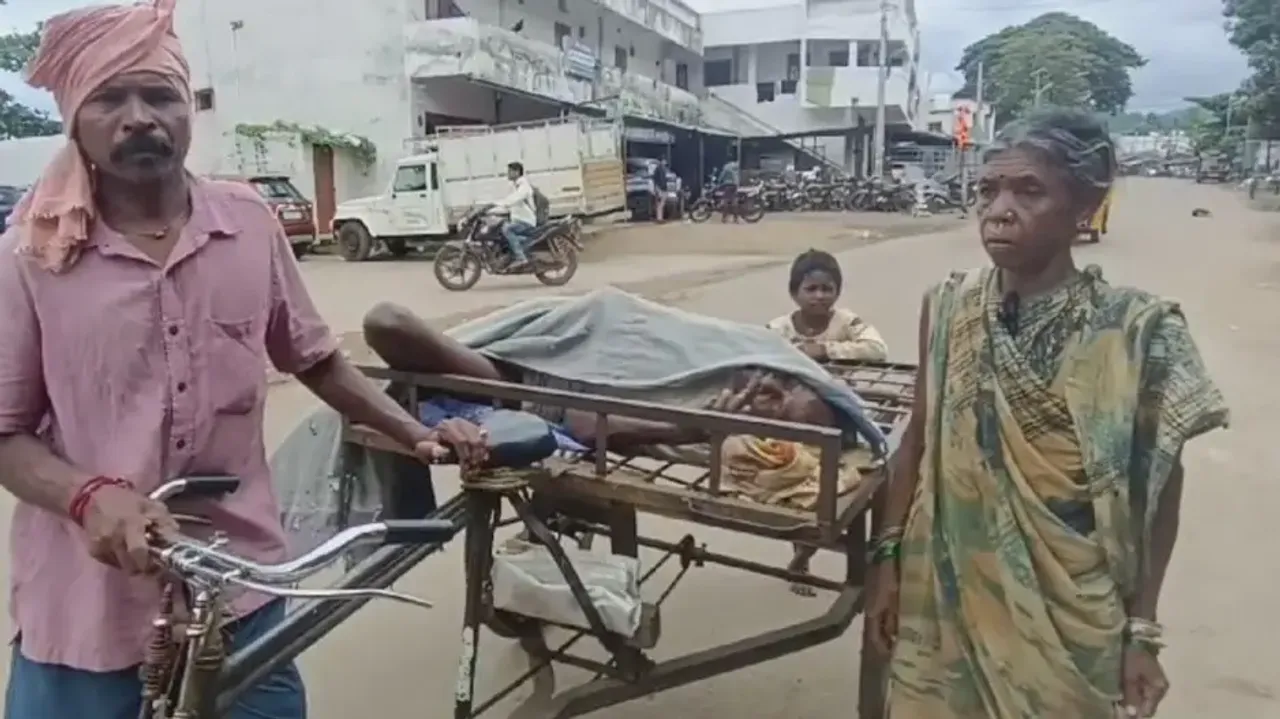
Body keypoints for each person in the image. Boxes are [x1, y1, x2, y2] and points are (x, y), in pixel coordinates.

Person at [0, 3, 485, 717]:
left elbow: (316, 359)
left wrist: (416, 433)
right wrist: (87, 496)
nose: (139, 117)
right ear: (76, 117)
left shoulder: (248, 225)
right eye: (110, 98)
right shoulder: (32, 255)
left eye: (160, 95)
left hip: (240, 585)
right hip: (89, 607)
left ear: (188, 110)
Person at [864, 109, 1229, 718]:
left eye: (1028, 190)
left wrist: (1142, 629)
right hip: (942, 597)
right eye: (988, 190)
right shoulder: (949, 306)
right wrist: (887, 561)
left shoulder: (1137, 332)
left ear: (1086, 205)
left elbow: (1157, 490)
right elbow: (916, 444)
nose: (998, 209)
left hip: (1072, 616)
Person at [767, 249, 888, 363]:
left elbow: (877, 349)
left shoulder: (846, 322)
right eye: (811, 289)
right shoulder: (778, 329)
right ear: (794, 293)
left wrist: (825, 350)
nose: (819, 296)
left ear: (837, 292)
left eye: (827, 289)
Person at [498, 160, 537, 269]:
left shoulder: (524, 186)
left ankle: (521, 258)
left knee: (507, 229)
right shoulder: (515, 185)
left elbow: (514, 199)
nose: (508, 174)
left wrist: (502, 204)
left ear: (516, 172)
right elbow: (509, 201)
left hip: (526, 221)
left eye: (510, 171)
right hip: (518, 220)